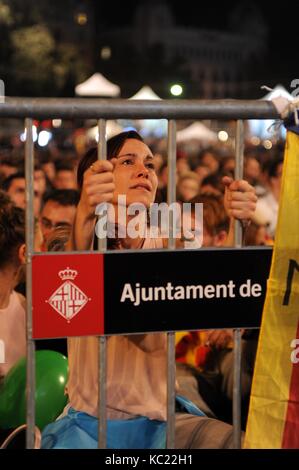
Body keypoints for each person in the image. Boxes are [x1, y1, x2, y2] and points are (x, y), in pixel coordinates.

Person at [41, 131, 257, 449]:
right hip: (89, 428)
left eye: (151, 164)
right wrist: (87, 208)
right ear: (97, 177)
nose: (144, 170)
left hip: (162, 425)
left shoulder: (173, 242)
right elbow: (67, 269)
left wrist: (239, 223)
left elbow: (221, 285)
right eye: (128, 161)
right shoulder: (75, 241)